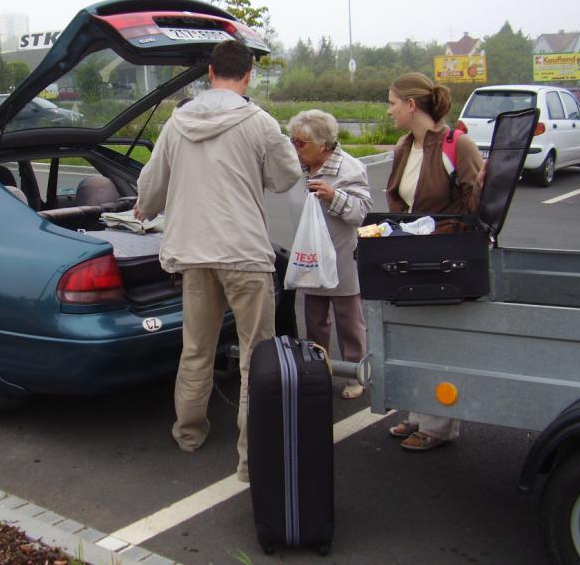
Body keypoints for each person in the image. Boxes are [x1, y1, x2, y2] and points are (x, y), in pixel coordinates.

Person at [134, 40, 302, 482]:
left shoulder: (177, 123)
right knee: (256, 358)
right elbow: (287, 177)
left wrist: (146, 209)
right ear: (248, 75)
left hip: (193, 253)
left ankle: (188, 434)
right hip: (245, 254)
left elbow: (151, 185)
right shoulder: (260, 123)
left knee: (196, 349)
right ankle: (251, 460)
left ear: (210, 72)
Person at [385, 71, 484, 451]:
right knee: (414, 338)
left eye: (393, 103)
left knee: (438, 341)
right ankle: (419, 415)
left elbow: (475, 209)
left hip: (444, 259)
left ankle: (438, 426)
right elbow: (402, 202)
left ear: (411, 105)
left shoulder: (457, 145)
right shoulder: (404, 146)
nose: (389, 110)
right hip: (411, 254)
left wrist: (482, 185)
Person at [288, 109, 372, 399]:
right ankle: (318, 371)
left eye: (301, 143)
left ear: (323, 145)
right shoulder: (300, 167)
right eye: (293, 141)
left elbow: (362, 213)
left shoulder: (349, 168)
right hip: (310, 256)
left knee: (349, 321)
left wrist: (334, 196)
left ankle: (355, 374)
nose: (295, 148)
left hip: (341, 255)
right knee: (314, 320)